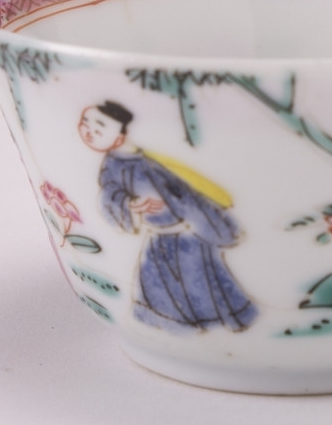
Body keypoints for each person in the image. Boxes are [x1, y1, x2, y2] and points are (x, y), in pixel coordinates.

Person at [78, 101, 257, 333]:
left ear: (121, 134)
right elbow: (109, 193)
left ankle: (214, 328)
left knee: (203, 284)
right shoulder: (113, 164)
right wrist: (130, 204)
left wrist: (210, 222)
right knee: (161, 287)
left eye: (99, 126)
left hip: (190, 235)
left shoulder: (153, 161)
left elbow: (190, 195)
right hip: (159, 238)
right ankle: (181, 329)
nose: (89, 131)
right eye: (85, 122)